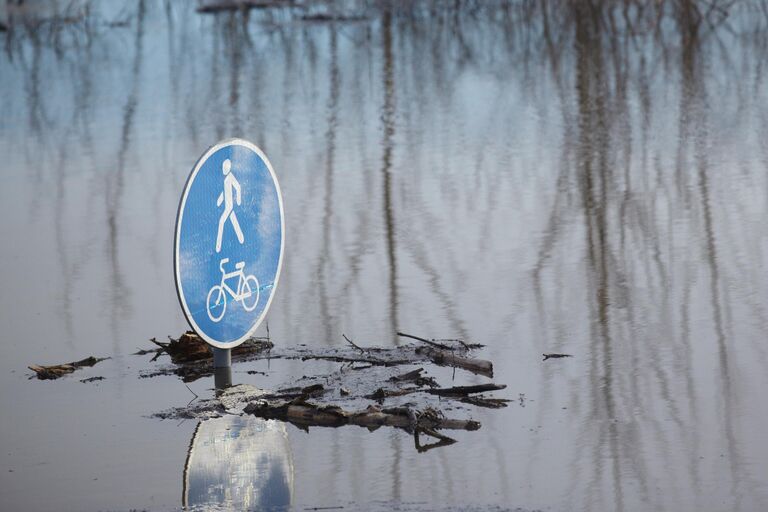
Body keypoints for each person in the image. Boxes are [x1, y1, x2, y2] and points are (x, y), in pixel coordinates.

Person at [215, 159, 244, 253]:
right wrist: (219, 201)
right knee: (234, 221)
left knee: (221, 222)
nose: (223, 170)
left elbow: (238, 187)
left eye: (224, 168)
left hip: (229, 206)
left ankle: (218, 247)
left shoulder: (231, 177)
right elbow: (225, 192)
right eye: (223, 168)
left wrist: (239, 200)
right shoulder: (225, 179)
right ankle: (241, 239)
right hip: (227, 206)